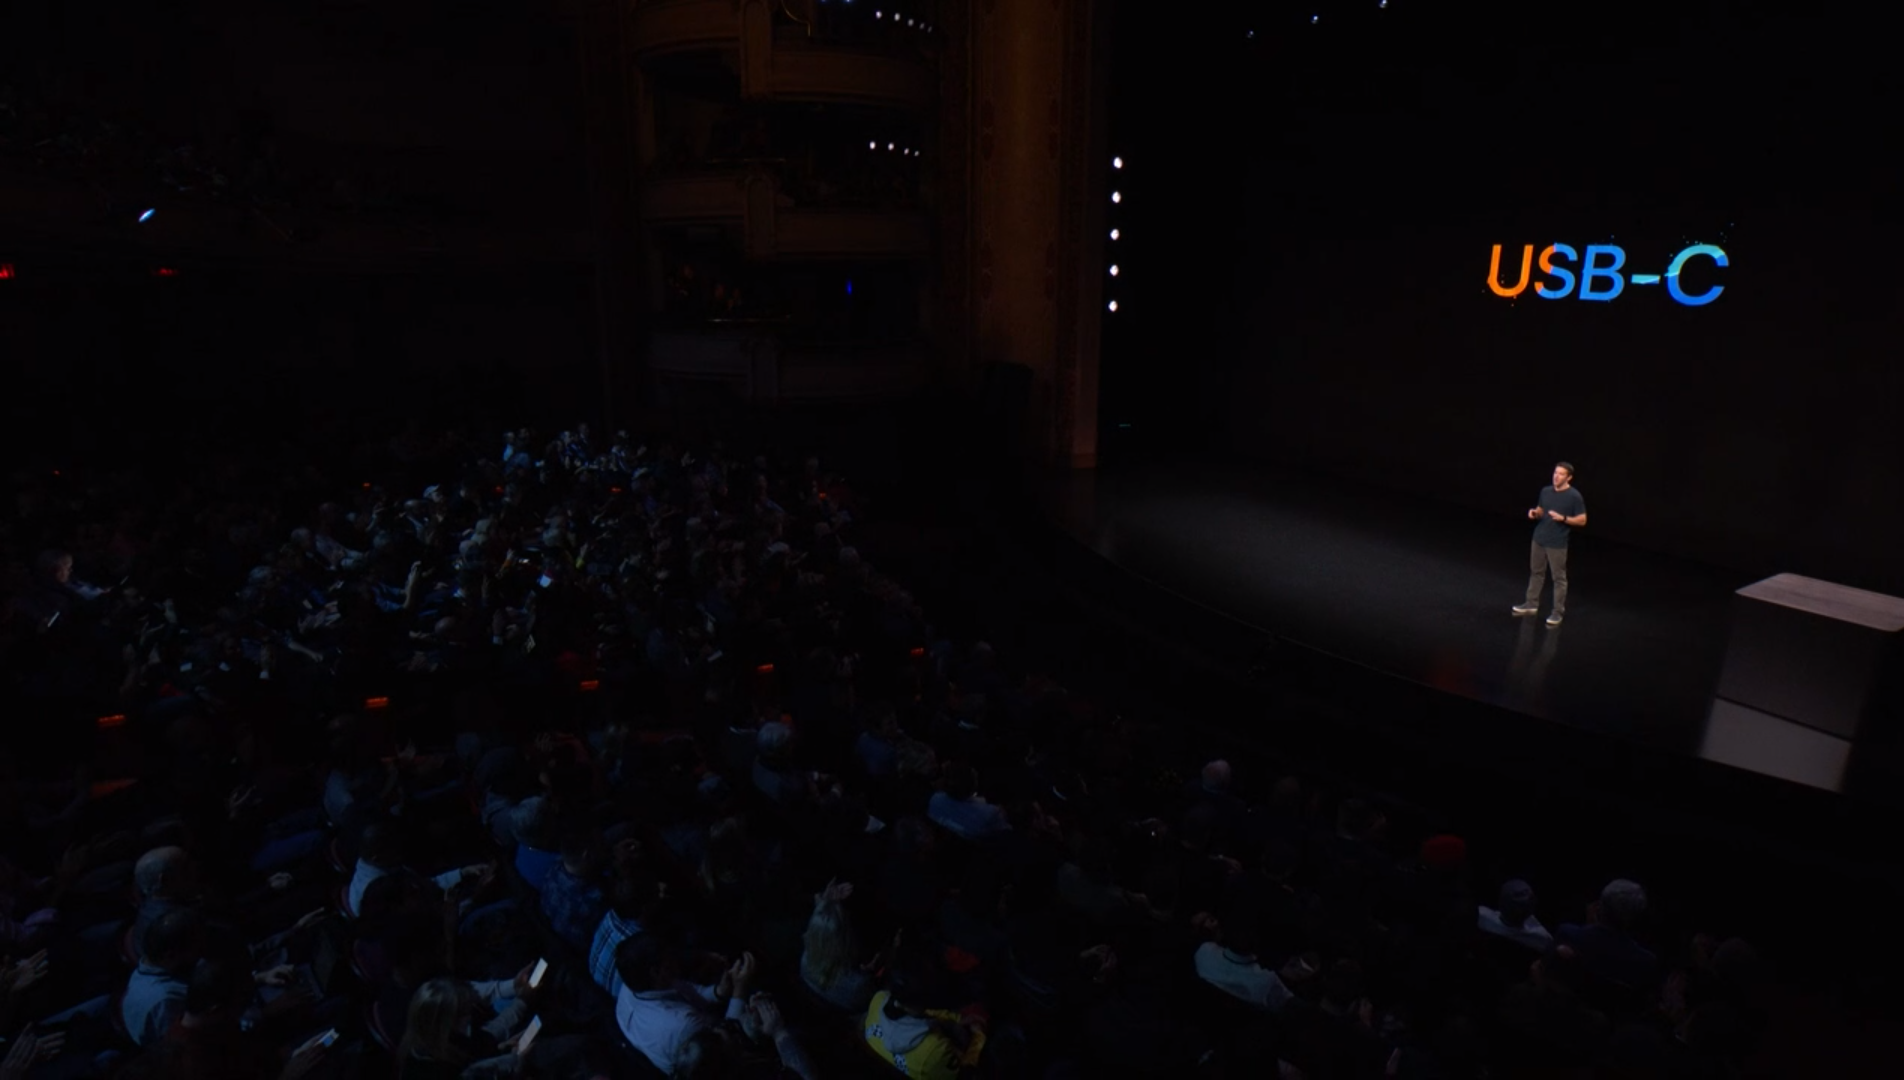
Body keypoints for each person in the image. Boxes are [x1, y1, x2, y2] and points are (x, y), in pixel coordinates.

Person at [1513, 462, 1586, 627]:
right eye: (1555, 473)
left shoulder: (1574, 496)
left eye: (1561, 474)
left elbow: (1582, 520)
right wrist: (1535, 513)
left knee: (1558, 578)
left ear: (1569, 478)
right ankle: (1531, 603)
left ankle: (1557, 612)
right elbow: (1540, 510)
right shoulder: (1545, 491)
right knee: (1536, 572)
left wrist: (1564, 518)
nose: (1556, 476)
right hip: (1539, 538)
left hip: (1557, 542)